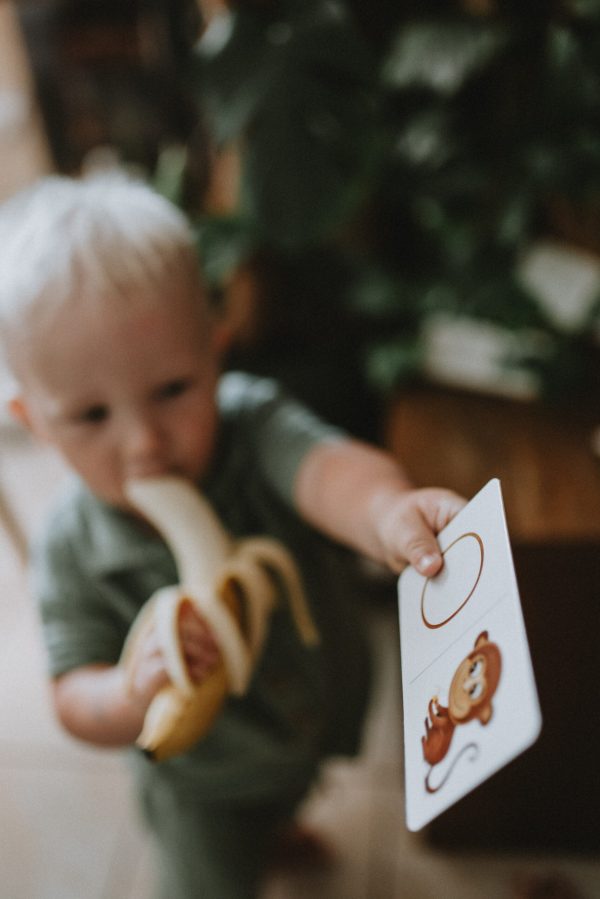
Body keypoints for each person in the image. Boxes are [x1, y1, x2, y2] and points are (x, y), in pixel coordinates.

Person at [0, 173, 465, 899]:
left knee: (289, 795)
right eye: (92, 416)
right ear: (34, 422)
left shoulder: (251, 426)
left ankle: (279, 824)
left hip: (309, 718)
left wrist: (385, 511)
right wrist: (129, 687)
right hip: (203, 791)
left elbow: (326, 471)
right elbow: (70, 696)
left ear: (215, 349)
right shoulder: (71, 550)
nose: (144, 442)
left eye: (173, 390)